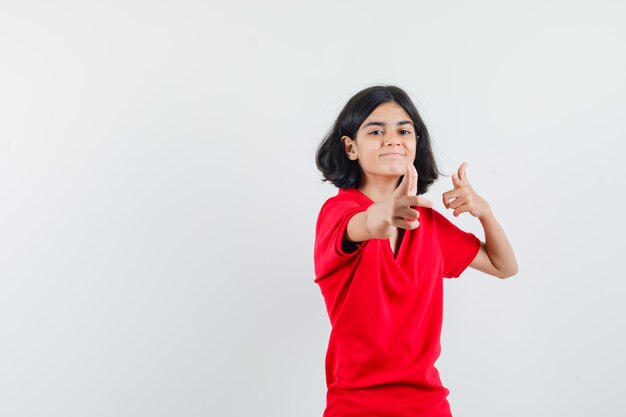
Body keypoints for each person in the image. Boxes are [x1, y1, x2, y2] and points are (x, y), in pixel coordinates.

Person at [313, 85, 518, 417]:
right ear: (350, 147)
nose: (392, 139)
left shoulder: (429, 224)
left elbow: (504, 266)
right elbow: (365, 224)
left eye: (403, 130)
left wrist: (485, 213)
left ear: (415, 144)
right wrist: (381, 216)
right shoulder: (337, 213)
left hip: (427, 404)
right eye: (376, 130)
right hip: (354, 404)